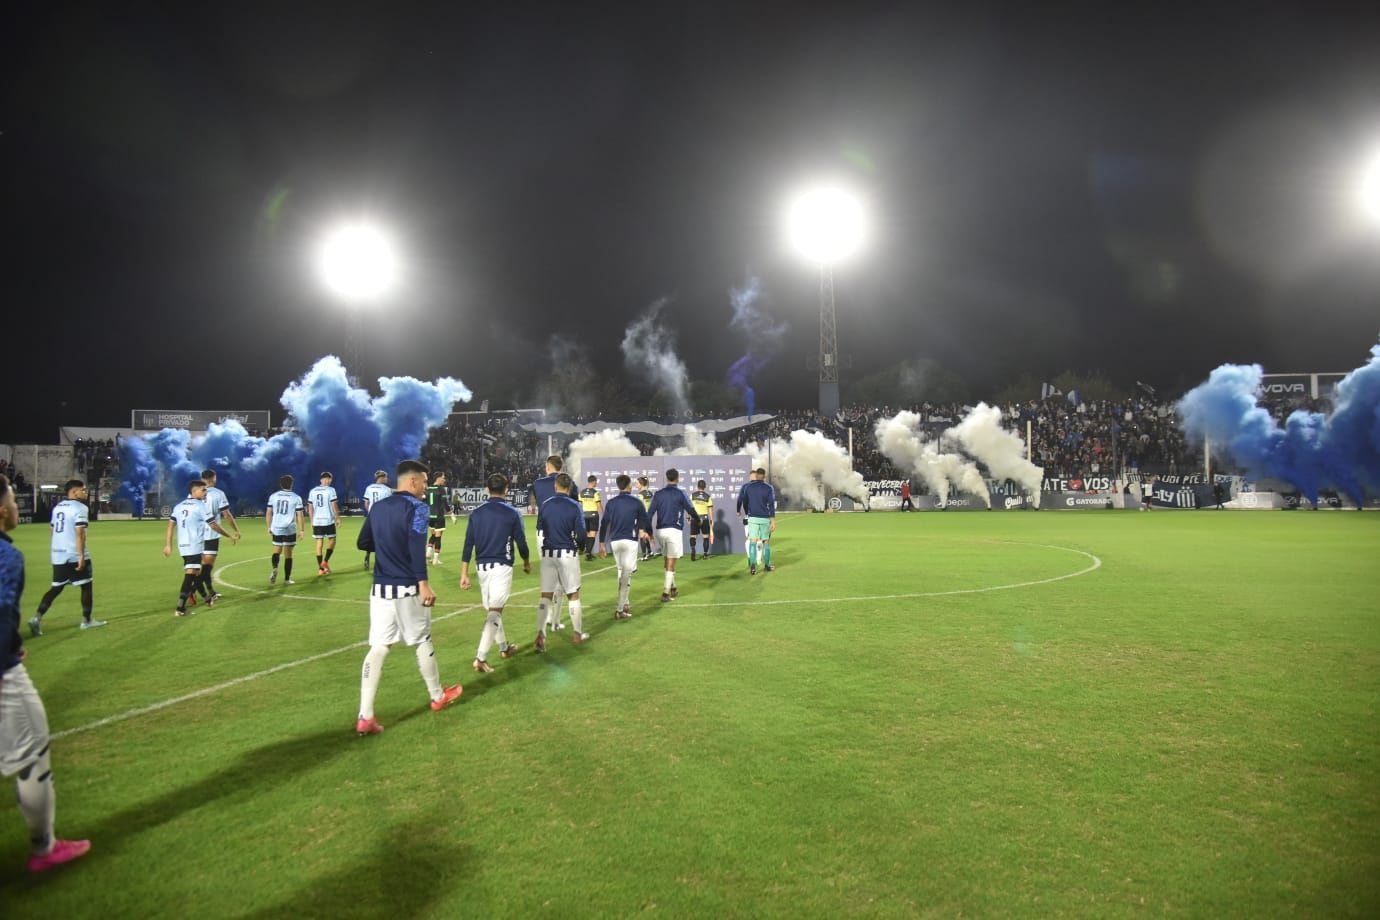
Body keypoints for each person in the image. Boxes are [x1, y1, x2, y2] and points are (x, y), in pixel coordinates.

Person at [0, 473, 93, 872]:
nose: (19, 507)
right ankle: (44, 848)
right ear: (3, 511)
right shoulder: (8, 556)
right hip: (4, 673)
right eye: (14, 502)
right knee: (34, 753)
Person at [353, 459, 463, 736]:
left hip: (380, 588)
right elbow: (416, 547)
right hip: (406, 588)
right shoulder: (417, 508)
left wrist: (387, 546)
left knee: (379, 646)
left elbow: (363, 543)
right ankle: (437, 696)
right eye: (424, 482)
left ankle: (365, 715)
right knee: (422, 639)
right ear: (412, 481)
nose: (426, 487)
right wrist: (423, 584)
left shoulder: (378, 508)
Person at [459, 473, 530, 673]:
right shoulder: (512, 513)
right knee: (495, 613)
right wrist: (526, 561)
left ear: (487, 489)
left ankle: (504, 648)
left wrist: (464, 574)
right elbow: (521, 541)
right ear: (506, 490)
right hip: (501, 566)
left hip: (481, 568)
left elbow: (468, 544)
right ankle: (480, 658)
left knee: (494, 611)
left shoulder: (476, 513)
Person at [29, 479, 106, 635]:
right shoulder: (81, 508)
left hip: (58, 553)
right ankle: (87, 620)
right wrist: (81, 556)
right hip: (73, 553)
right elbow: (80, 533)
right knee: (86, 585)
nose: (85, 492)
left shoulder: (58, 507)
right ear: (74, 492)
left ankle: (36, 617)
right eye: (83, 490)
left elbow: (52, 531)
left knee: (56, 587)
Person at [164, 479, 238, 616]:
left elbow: (170, 526)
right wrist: (229, 536)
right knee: (190, 575)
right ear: (194, 491)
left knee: (195, 573)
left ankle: (206, 598)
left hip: (183, 545)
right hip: (194, 544)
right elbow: (213, 525)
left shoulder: (179, 506)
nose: (206, 493)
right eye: (203, 490)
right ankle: (180, 608)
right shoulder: (200, 506)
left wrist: (168, 545)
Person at [535, 472, 589, 651]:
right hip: (567, 554)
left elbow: (541, 530)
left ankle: (541, 634)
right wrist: (582, 547)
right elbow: (581, 533)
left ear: (555, 486)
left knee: (546, 595)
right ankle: (577, 633)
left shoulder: (545, 505)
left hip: (548, 554)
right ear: (570, 488)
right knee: (573, 594)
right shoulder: (575, 506)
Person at [598, 474, 650, 619]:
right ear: (629, 485)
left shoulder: (611, 503)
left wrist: (602, 543)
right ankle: (620, 609)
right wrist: (644, 532)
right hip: (630, 541)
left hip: (615, 542)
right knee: (626, 574)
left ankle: (625, 603)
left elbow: (604, 524)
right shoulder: (636, 502)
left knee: (622, 572)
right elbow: (644, 520)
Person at [647, 468, 700, 603]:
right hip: (674, 531)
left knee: (667, 559)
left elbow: (650, 513)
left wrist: (649, 531)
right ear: (678, 479)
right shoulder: (680, 493)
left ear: (666, 478)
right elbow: (690, 509)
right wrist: (698, 520)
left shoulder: (658, 494)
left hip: (660, 531)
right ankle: (665, 593)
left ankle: (673, 587)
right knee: (671, 561)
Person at [529, 456, 564, 630]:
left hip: (541, 532)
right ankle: (555, 621)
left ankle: (547, 618)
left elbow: (536, 500)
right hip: (561, 533)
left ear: (547, 467)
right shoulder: (567, 483)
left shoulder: (538, 484)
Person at [197, 469, 241, 605]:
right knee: (207, 566)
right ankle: (191, 589)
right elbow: (226, 515)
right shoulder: (218, 494)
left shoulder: (193, 493)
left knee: (199, 565)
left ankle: (210, 591)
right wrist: (235, 530)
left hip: (195, 535)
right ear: (214, 479)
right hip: (210, 535)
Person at [736, 467, 777, 575]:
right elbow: (771, 505)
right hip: (764, 518)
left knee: (752, 541)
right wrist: (773, 520)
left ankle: (753, 567)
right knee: (766, 542)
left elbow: (744, 501)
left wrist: (748, 511)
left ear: (756, 475)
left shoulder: (748, 487)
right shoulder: (769, 488)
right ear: (764, 476)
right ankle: (767, 565)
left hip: (752, 518)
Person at [266, 475, 305, 585]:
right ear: (291, 484)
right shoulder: (296, 497)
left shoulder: (273, 496)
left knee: (276, 551)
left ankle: (274, 568)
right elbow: (300, 515)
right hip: (289, 529)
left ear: (281, 484)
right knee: (288, 554)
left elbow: (269, 512)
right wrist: (302, 530)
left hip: (276, 527)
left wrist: (269, 527)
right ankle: (287, 579)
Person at [307, 471, 341, 576]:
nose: (329, 481)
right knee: (332, 541)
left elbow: (310, 507)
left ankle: (321, 569)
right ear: (328, 479)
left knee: (319, 543)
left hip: (317, 521)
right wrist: (338, 517)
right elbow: (334, 505)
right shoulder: (331, 490)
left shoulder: (313, 491)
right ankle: (325, 562)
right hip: (328, 520)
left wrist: (312, 520)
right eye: (329, 479)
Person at [361, 470, 392, 571]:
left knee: (370, 537)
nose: (387, 479)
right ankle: (379, 562)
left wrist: (370, 512)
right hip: (382, 517)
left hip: (371, 517)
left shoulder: (369, 488)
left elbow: (366, 503)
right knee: (381, 539)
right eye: (385, 477)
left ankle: (367, 556)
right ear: (381, 478)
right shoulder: (387, 490)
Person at [424, 473, 451, 565]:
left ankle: (428, 553)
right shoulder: (441, 489)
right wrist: (450, 513)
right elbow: (445, 502)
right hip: (439, 516)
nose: (444, 480)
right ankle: (435, 559)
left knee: (433, 536)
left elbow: (424, 502)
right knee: (438, 537)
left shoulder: (428, 489)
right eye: (443, 478)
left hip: (430, 517)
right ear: (438, 478)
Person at [578, 474, 602, 562]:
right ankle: (588, 553)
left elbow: (580, 505)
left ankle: (588, 552)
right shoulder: (595, 493)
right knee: (592, 534)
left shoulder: (581, 492)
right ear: (594, 482)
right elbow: (598, 505)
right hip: (593, 515)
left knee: (588, 534)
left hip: (584, 514)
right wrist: (603, 513)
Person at [689, 478, 713, 561]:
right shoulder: (708, 497)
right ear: (704, 487)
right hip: (704, 518)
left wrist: (688, 517)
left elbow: (689, 507)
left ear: (698, 486)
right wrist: (711, 520)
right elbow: (710, 509)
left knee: (693, 536)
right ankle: (705, 555)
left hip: (695, 518)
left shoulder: (692, 495)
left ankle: (693, 549)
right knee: (705, 536)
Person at [637, 476, 656, 560]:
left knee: (642, 535)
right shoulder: (650, 493)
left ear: (641, 484)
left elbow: (639, 507)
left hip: (643, 517)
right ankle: (650, 552)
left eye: (637, 483)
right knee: (647, 533)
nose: (636, 485)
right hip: (649, 516)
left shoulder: (640, 495)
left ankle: (644, 555)